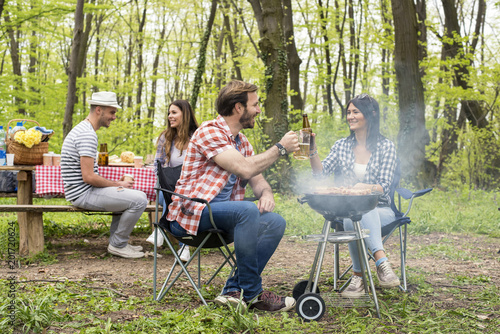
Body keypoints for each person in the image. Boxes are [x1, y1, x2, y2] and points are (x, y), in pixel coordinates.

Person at [166, 80, 299, 312]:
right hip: (192, 215)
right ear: (239, 108)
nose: (258, 110)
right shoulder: (210, 131)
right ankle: (254, 292)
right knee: (246, 210)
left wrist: (266, 193)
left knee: (275, 221)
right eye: (255, 105)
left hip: (225, 217)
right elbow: (245, 169)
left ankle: (233, 291)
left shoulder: (242, 142)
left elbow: (257, 179)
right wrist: (281, 148)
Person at [309, 93, 400, 297]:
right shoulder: (341, 145)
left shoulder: (386, 146)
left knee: (358, 212)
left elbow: (384, 186)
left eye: (355, 112)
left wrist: (362, 187)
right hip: (349, 209)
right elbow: (320, 174)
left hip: (382, 209)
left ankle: (358, 277)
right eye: (348, 112)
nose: (350, 116)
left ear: (371, 115)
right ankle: (382, 264)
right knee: (354, 213)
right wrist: (312, 151)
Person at [61, 91, 148, 259]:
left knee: (129, 196)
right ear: (99, 110)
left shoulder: (84, 129)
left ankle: (118, 242)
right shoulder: (87, 134)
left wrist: (116, 184)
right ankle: (118, 245)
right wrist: (118, 185)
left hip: (82, 191)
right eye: (112, 112)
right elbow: (89, 177)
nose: (114, 117)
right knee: (140, 199)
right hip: (82, 194)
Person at [146, 99, 199, 262]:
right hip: (169, 186)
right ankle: (184, 246)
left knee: (179, 197)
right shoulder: (165, 137)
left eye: (174, 112)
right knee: (167, 195)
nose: (170, 116)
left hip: (192, 188)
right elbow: (158, 166)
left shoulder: (197, 137)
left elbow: (201, 169)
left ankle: (161, 229)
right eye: (169, 113)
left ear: (186, 114)